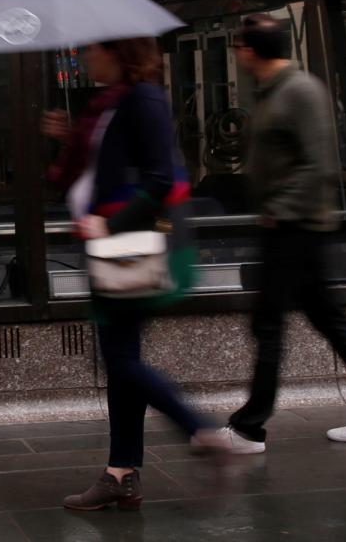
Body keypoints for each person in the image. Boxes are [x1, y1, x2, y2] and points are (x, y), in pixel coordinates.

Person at [42, 37, 228, 512]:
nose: (86, 58)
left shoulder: (142, 98)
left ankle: (197, 428)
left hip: (129, 245)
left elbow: (161, 178)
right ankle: (121, 474)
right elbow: (107, 167)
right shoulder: (111, 102)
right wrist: (70, 141)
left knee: (120, 360)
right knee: (121, 360)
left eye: (94, 50)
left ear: (119, 53)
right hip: (111, 245)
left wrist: (110, 222)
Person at [214, 14, 346, 452]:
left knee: (270, 324)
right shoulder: (272, 91)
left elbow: (319, 164)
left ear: (252, 50)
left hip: (295, 226)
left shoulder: (300, 91)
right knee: (326, 320)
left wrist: (278, 209)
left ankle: (248, 428)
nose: (237, 53)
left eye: (239, 45)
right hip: (288, 225)